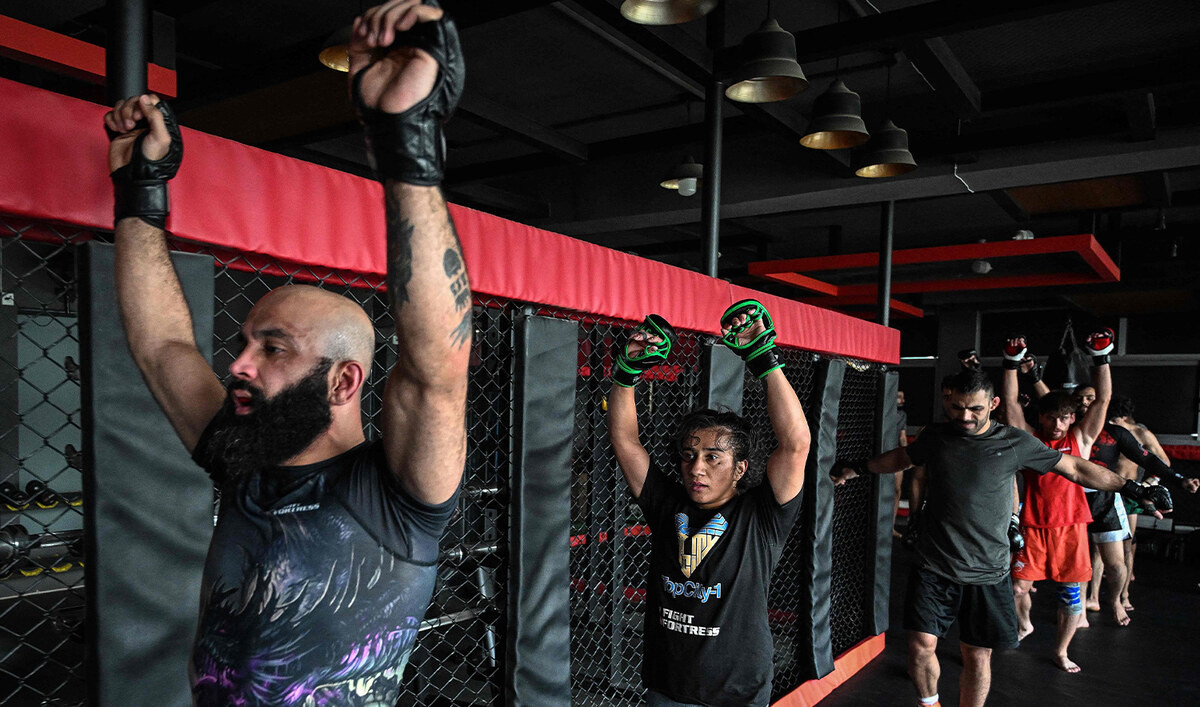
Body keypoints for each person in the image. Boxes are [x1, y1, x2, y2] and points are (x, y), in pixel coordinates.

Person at [105, 2, 469, 703]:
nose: (239, 363)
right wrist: (139, 191)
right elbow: (163, 346)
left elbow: (436, 370)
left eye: (273, 348)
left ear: (343, 381)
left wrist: (407, 143)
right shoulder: (245, 456)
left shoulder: (397, 498)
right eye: (246, 343)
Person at [832, 367, 1165, 707]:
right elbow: (903, 457)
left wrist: (1132, 487)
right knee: (920, 645)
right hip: (934, 564)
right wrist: (858, 467)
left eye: (975, 408)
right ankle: (929, 703)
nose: (965, 416)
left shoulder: (1014, 441)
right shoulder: (936, 436)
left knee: (977, 654)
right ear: (948, 402)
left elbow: (1076, 468)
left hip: (988, 572)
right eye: (957, 407)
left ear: (992, 404)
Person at [608, 301, 810, 707]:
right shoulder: (667, 504)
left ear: (739, 468)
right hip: (667, 686)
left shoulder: (761, 516)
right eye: (689, 455)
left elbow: (796, 443)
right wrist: (626, 374)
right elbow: (626, 440)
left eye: (713, 457)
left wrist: (762, 359)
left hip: (737, 691)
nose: (696, 467)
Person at [1000, 331, 1168, 673]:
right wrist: (1010, 364)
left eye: (1064, 417)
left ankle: (1061, 651)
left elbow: (1103, 400)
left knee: (1070, 596)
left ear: (1072, 418)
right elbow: (1012, 405)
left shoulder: (1080, 437)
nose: (1058, 424)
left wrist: (1102, 357)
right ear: (1042, 418)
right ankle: (1024, 624)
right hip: (1033, 525)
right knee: (1018, 587)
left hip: (1071, 529)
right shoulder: (1030, 440)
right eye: (1051, 417)